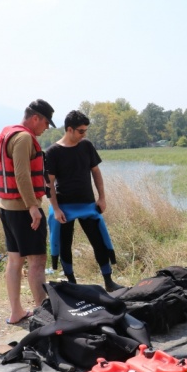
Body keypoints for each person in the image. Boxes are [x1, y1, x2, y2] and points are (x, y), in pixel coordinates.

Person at [45, 110, 123, 292]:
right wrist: (55, 209)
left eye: (86, 131)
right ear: (69, 129)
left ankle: (109, 281)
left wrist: (101, 197)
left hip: (88, 205)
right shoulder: (53, 152)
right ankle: (72, 283)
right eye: (81, 131)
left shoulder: (86, 145)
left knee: (99, 241)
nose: (84, 134)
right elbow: (48, 184)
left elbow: (96, 172)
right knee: (65, 245)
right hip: (64, 206)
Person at [0, 99, 56, 325]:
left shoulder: (9, 134)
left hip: (7, 208)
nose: (46, 128)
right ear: (35, 118)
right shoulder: (24, 138)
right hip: (23, 209)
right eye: (46, 122)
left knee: (14, 260)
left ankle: (16, 312)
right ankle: (43, 314)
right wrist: (33, 206)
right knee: (37, 260)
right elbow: (21, 175)